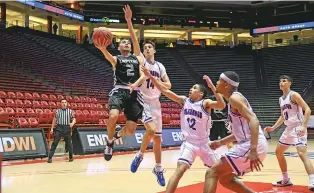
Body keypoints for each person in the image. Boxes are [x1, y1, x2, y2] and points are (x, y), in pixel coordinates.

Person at [142, 65, 226, 193]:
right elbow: (165, 91)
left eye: (194, 88)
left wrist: (212, 88)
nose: (191, 89)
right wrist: (151, 77)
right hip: (189, 144)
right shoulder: (184, 100)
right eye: (191, 87)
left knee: (221, 173)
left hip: (205, 144)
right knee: (180, 169)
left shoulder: (206, 103)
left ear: (201, 94)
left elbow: (221, 105)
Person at [114, 5, 171, 187]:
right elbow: (133, 39)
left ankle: (158, 168)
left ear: (154, 50)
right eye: (145, 47)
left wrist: (157, 82)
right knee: (152, 131)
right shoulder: (141, 60)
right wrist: (129, 21)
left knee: (158, 139)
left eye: (149, 47)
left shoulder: (160, 67)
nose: (146, 49)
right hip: (142, 100)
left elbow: (168, 85)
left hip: (156, 103)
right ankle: (139, 155)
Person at [94, 5, 152, 162]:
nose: (127, 43)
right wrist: (102, 49)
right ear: (118, 47)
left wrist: (128, 20)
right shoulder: (117, 59)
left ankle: (118, 134)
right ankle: (110, 142)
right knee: (113, 116)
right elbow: (108, 57)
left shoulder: (138, 57)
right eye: (123, 42)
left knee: (131, 130)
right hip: (119, 91)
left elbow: (134, 38)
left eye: (128, 42)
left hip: (135, 94)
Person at [203, 71, 268, 193]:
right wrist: (221, 142)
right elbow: (240, 133)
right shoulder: (233, 100)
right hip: (252, 144)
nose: (216, 82)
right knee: (225, 179)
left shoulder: (234, 98)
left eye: (219, 80)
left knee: (212, 172)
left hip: (252, 145)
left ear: (226, 85)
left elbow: (254, 120)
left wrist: (253, 149)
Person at [264, 75, 314, 191]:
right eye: (280, 81)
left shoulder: (294, 95)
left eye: (284, 81)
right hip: (288, 128)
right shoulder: (281, 99)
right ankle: (285, 179)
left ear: (290, 83)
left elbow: (307, 109)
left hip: (298, 127)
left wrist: (303, 126)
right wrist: (273, 128)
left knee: (302, 153)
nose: (281, 83)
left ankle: (313, 180)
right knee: (278, 152)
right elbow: (282, 117)